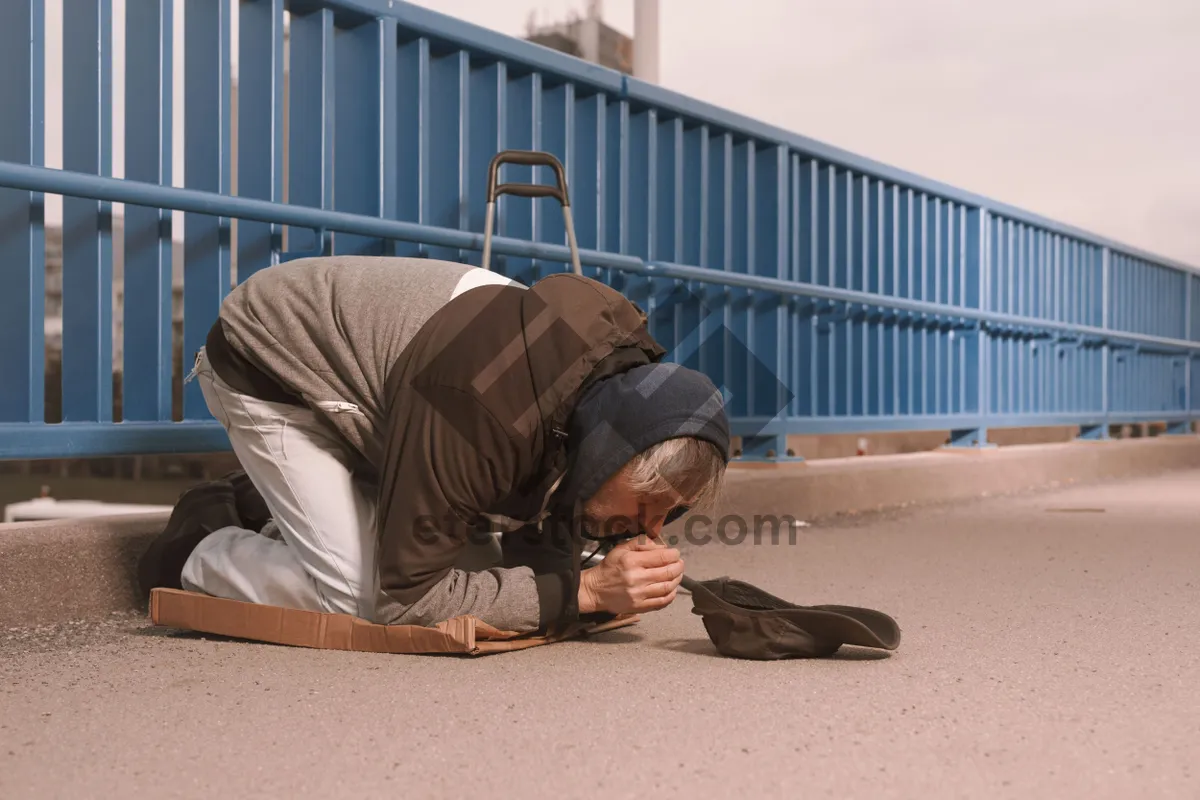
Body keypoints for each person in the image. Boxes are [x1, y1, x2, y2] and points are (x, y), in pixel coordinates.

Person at [137, 255, 729, 634]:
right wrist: (585, 589)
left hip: (404, 394)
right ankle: (200, 543)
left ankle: (271, 506)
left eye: (666, 513)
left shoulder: (604, 394)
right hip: (273, 361)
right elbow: (408, 602)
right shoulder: (480, 410)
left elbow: (548, 511)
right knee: (357, 598)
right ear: (607, 451)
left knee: (481, 569)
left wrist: (575, 586)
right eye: (646, 506)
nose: (651, 530)